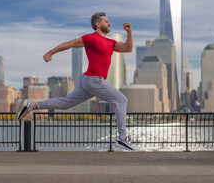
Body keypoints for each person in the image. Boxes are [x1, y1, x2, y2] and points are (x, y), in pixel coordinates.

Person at [15, 12, 135, 151]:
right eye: (106, 21)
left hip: (89, 80)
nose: (109, 24)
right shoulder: (91, 38)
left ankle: (29, 107)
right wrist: (50, 53)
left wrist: (129, 32)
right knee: (121, 100)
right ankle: (122, 138)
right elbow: (70, 43)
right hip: (93, 79)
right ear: (98, 24)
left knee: (65, 103)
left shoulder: (111, 43)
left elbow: (128, 48)